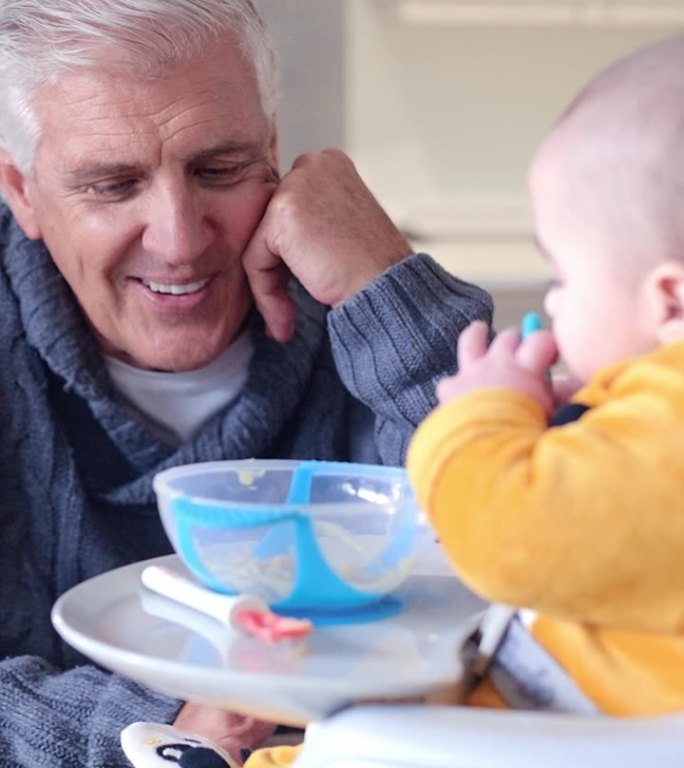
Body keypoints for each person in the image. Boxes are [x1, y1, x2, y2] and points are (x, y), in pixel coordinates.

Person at [0, 0, 492, 766]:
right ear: (21, 191)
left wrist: (390, 292)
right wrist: (160, 730)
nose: (180, 241)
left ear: (271, 148)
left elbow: (564, 582)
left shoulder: (372, 307)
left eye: (219, 170)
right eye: (112, 185)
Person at [407, 33, 684, 717]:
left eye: (562, 275)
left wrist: (480, 416)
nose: (553, 302)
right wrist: (577, 427)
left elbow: (503, 533)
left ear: (671, 300)